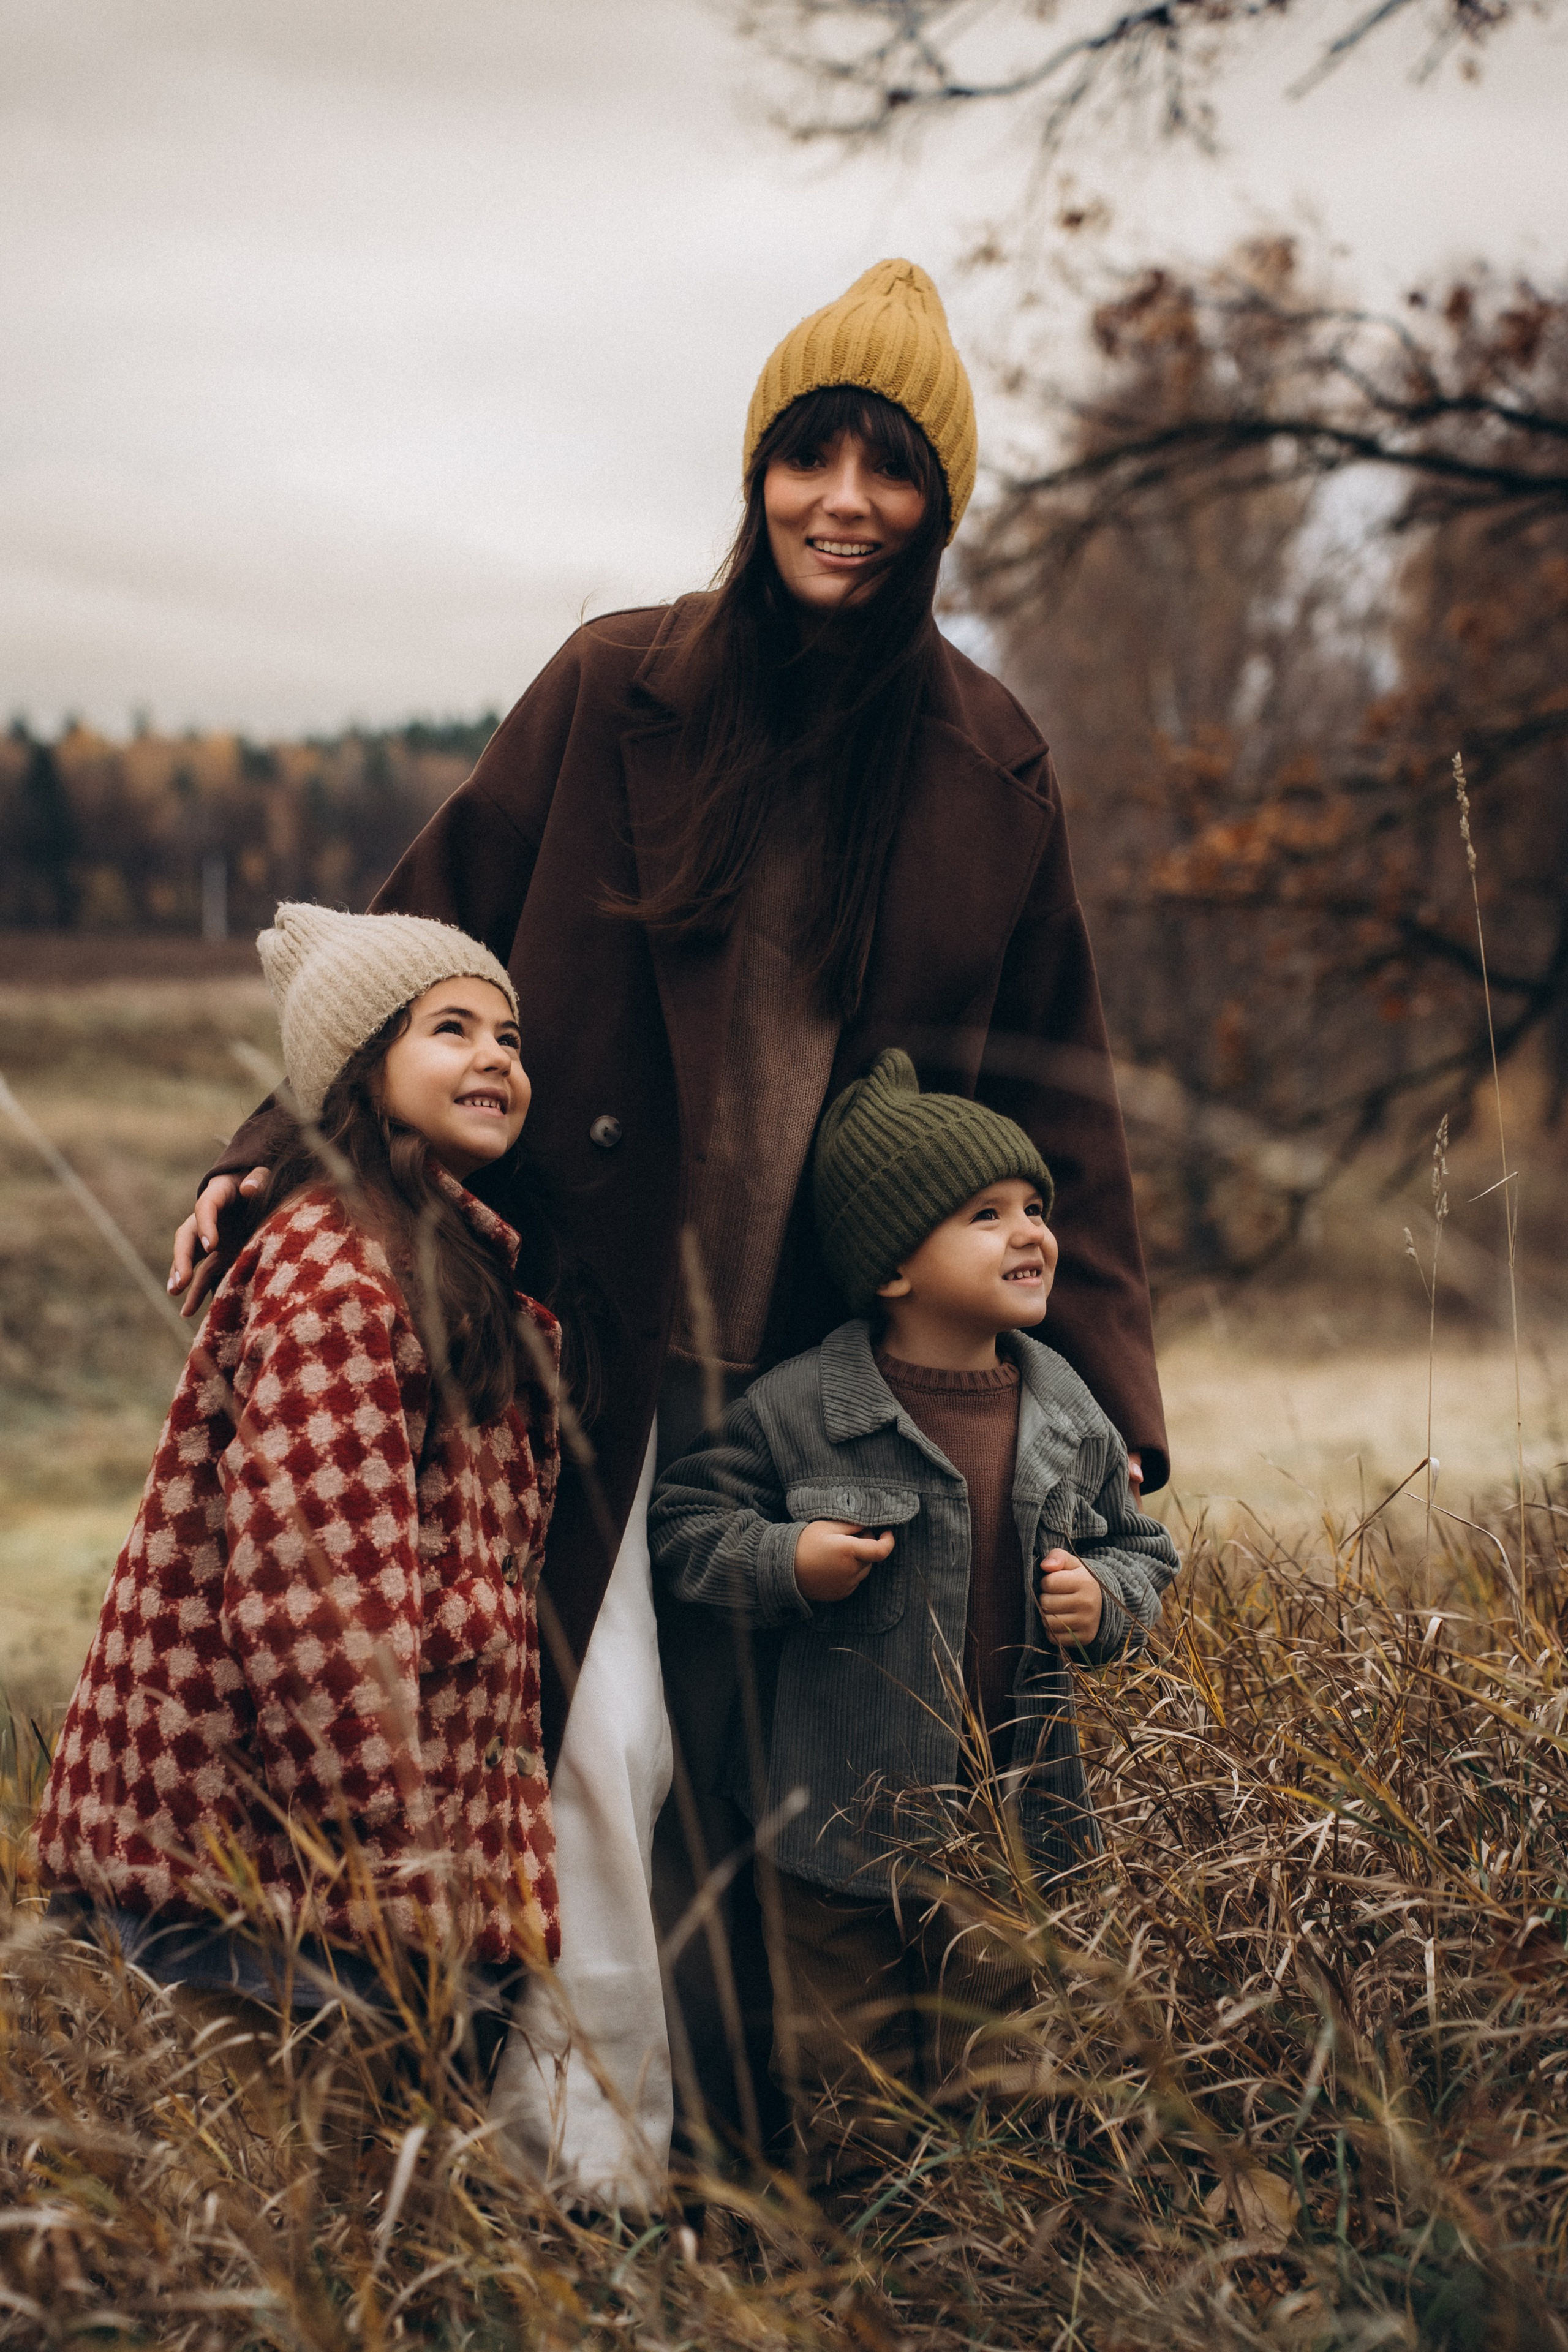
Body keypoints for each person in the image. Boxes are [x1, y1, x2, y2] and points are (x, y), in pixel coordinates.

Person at [165, 258, 1170, 2184]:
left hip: (832, 1375)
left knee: (783, 1805)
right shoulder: (617, 686)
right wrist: (268, 1153)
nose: (846, 502)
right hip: (584, 1337)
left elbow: (1065, 1090)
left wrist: (1108, 1390)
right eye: (814, 455)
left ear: (939, 505)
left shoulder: (992, 770)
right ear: (761, 470)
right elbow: (415, 937)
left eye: (892, 469)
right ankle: (577, 2178)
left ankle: (788, 2194)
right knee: (590, 1765)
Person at [37, 903, 562, 2119]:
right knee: (294, 2174)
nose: (497, 1056)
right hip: (298, 1863)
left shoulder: (448, 1256)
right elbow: (308, 1583)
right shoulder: (336, 1267)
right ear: (359, 1071)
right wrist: (370, 1827)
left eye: (510, 1035)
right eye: (451, 1028)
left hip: (366, 1852)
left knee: (365, 2181)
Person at [647, 1050, 1180, 2185]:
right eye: (985, 1215)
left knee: (1004, 2061)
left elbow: (1145, 1550)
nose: (1030, 1232)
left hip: (1010, 1823)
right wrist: (786, 1558)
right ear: (893, 1262)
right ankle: (864, 2261)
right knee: (848, 2077)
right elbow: (685, 1521)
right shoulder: (806, 1408)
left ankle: (985, 2252)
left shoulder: (1068, 1408)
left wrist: (1105, 1600)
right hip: (831, 1822)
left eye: (1035, 1208)